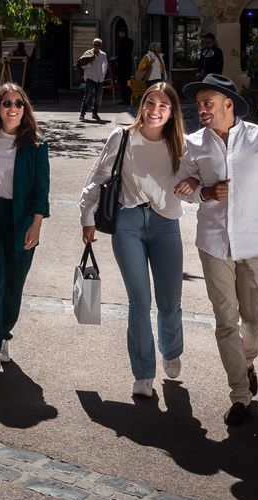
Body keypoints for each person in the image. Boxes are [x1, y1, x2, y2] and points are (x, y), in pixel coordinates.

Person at [173, 73, 258, 427]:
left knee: (255, 317)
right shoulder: (194, 144)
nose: (201, 109)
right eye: (199, 104)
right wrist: (203, 191)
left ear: (228, 104)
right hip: (213, 244)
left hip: (253, 244)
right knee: (225, 321)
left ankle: (247, 360)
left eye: (207, 103)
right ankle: (240, 395)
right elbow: (180, 186)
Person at [80, 82, 190, 399]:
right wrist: (87, 218)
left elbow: (196, 184)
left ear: (172, 113)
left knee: (170, 302)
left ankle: (171, 349)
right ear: (142, 105)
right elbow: (98, 179)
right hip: (128, 223)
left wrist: (197, 185)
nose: (155, 110)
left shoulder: (180, 144)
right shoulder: (122, 137)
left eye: (163, 106)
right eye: (150, 103)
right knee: (139, 302)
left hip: (166, 224)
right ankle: (143, 373)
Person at [0, 83, 49, 374]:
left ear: (25, 109)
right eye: (6, 103)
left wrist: (36, 224)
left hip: (22, 219)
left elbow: (42, 189)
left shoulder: (37, 144)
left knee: (14, 285)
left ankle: (4, 334)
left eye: (18, 103)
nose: (12, 108)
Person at [77, 37, 110, 123]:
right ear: (93, 45)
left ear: (100, 45)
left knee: (98, 97)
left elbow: (105, 64)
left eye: (98, 45)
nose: (96, 46)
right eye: (95, 44)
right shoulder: (88, 54)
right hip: (90, 77)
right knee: (87, 96)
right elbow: (81, 65)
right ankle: (82, 113)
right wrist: (89, 64)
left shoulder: (103, 54)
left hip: (99, 78)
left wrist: (103, 74)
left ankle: (95, 113)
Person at [113, 24, 135, 106]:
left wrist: (117, 61)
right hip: (128, 64)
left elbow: (121, 54)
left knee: (123, 82)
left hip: (122, 64)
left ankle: (125, 100)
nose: (119, 34)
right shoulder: (130, 41)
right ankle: (129, 99)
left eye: (120, 32)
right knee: (127, 82)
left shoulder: (121, 41)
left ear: (123, 33)